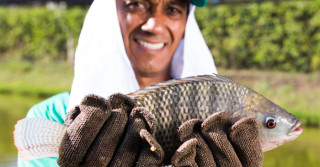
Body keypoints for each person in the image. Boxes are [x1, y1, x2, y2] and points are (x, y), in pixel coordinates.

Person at [17, 0, 263, 166]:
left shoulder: (219, 117)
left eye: (173, 8)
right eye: (136, 4)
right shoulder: (51, 115)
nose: (154, 25)